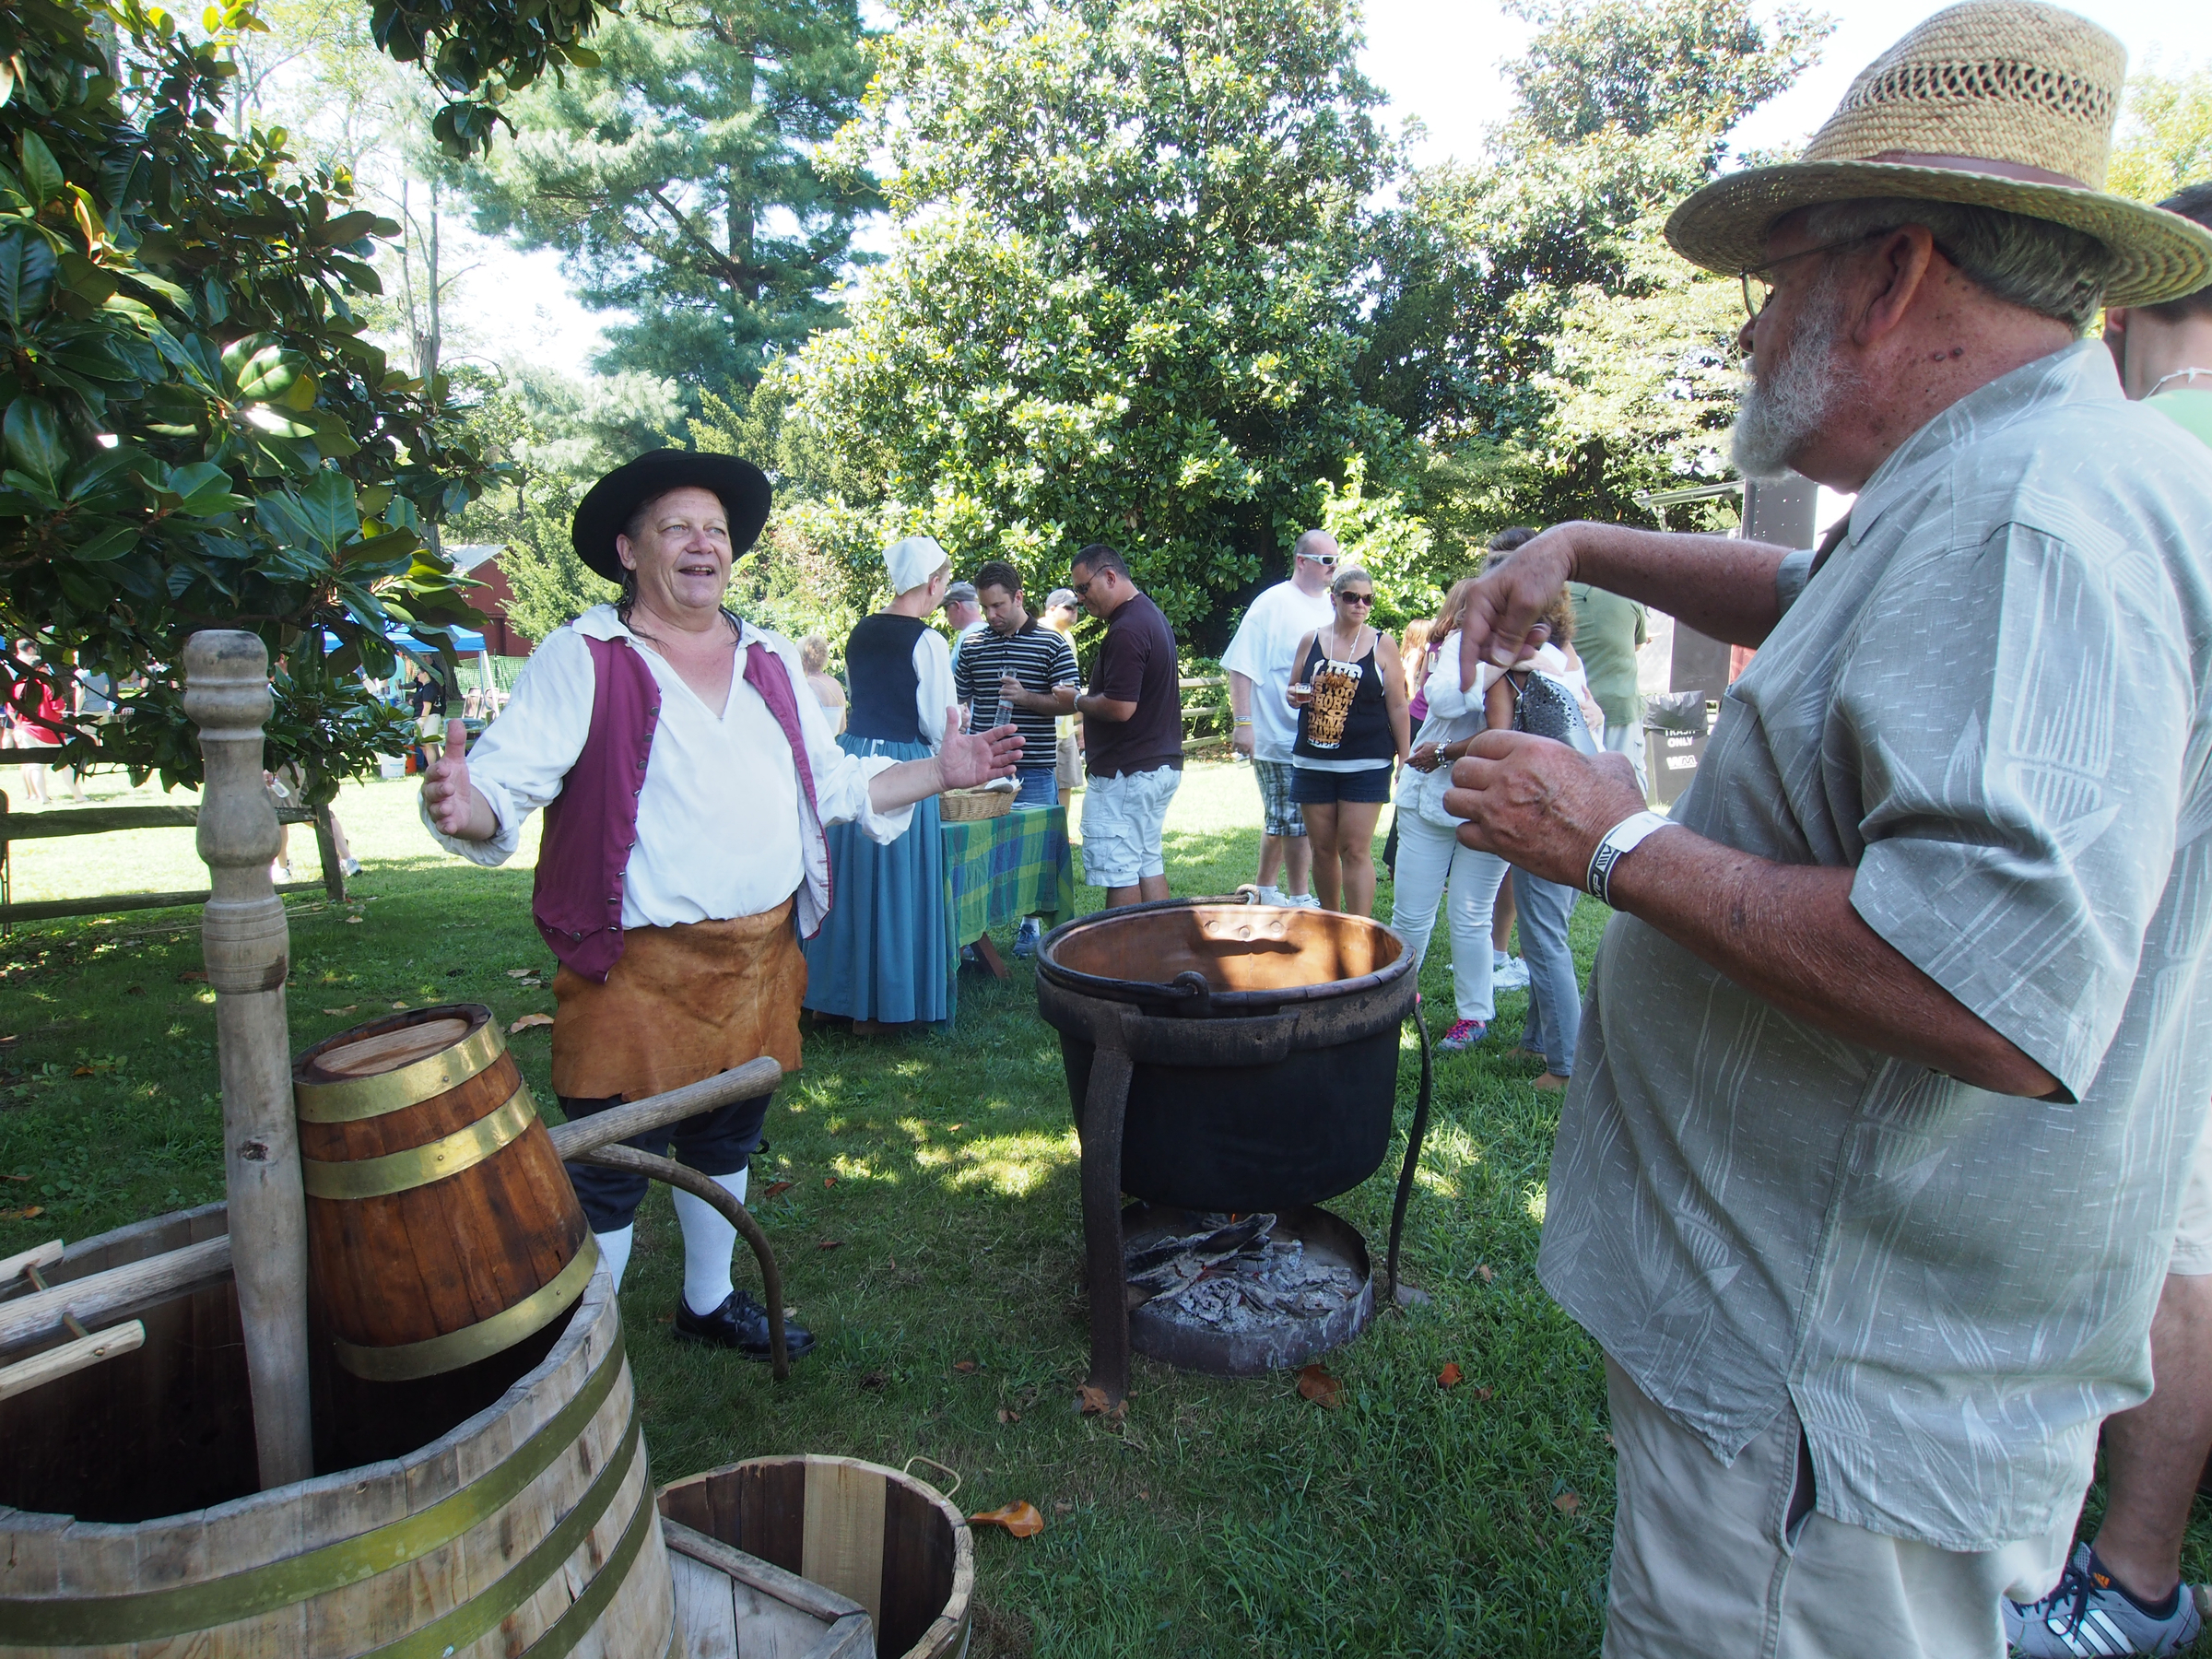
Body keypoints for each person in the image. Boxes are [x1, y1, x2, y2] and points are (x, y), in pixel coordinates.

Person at [1441, 7, 2212, 1653]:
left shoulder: (2026, 523)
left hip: (1821, 1414)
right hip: (1831, 1382)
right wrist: (1581, 541)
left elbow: (1993, 990)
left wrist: (1614, 844)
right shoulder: (2010, 474)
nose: (1749, 336)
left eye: (1778, 280)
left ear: (1895, 274)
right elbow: (1823, 597)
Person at [421, 452, 1018, 1360]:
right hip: (634, 975)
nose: (703, 545)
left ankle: (707, 1301)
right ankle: (569, 1364)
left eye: (716, 530)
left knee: (727, 1138)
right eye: (676, 528)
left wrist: (942, 772)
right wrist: (469, 806)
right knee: (612, 1169)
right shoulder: (584, 658)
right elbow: (504, 784)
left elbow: (837, 787)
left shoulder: (772, 658)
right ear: (628, 549)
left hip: (758, 961)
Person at [2002, 178, 2212, 1659]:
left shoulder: (2148, 453)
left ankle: (2129, 1581)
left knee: (2172, 1244)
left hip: (2167, 956)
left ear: (2133, 313)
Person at [803, 537, 965, 1030]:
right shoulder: (929, 640)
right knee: (896, 881)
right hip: (903, 762)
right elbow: (941, 723)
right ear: (934, 583)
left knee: (850, 882)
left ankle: (835, 997)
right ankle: (884, 1006)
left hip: (853, 756)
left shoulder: (860, 632)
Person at [1479, 578, 1595, 1092]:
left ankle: (1565, 1066)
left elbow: (1500, 743)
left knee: (1544, 941)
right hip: (1586, 810)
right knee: (1547, 933)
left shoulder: (1514, 676)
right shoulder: (1566, 666)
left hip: (1549, 816)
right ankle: (1536, 1040)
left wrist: (1446, 753)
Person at [1393, 578, 1510, 1052]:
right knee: (1412, 913)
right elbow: (1442, 701)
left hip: (1491, 800)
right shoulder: (1458, 645)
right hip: (1431, 795)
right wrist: (1498, 671)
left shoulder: (1545, 652)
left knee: (1471, 916)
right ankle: (1395, 999)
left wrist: (1501, 667)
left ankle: (1474, 1017)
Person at [953, 559, 1081, 957]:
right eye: (985, 607)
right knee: (980, 854)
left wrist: (1026, 697)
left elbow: (1071, 703)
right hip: (983, 771)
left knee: (1036, 856)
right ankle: (974, 935)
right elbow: (958, 701)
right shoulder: (973, 645)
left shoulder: (1051, 643)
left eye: (999, 606)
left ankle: (1032, 927)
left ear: (1019, 597)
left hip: (1035, 768)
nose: (991, 615)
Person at [1285, 567, 1409, 916]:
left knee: (1354, 849)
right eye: (1352, 597)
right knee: (1321, 849)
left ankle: (1359, 930)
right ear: (1334, 599)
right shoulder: (1311, 640)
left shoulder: (1383, 643)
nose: (1360, 604)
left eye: (1367, 599)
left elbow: (1398, 705)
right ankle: (1330, 924)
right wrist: (1294, 696)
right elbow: (1294, 689)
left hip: (1366, 762)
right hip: (1313, 761)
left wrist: (1406, 755)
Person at [1221, 529, 1335, 907]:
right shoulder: (1272, 604)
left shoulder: (1330, 606)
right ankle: (1301, 897)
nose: (1333, 568)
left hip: (1318, 735)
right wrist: (1243, 724)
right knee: (1295, 820)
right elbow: (1240, 667)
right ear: (1301, 561)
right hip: (1277, 735)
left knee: (1279, 817)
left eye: (1336, 560)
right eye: (1325, 561)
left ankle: (1266, 891)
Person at [1068, 543, 1182, 908]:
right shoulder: (1150, 615)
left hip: (1126, 774)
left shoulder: (1127, 629)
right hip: (1154, 767)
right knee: (1147, 861)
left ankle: (1121, 964)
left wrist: (1074, 700)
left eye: (1084, 588)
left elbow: (1119, 707)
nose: (1081, 599)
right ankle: (1158, 957)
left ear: (1110, 576)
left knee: (1120, 870)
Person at [1568, 577, 1649, 793]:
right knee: (1628, 791)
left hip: (1575, 713)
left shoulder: (1556, 594)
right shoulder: (1628, 593)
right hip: (1620, 711)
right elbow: (1638, 643)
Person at [6, 639, 66, 806]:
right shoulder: (48, 686)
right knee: (65, 763)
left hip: (25, 729)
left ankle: (38, 796)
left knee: (32, 765)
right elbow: (59, 707)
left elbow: (10, 709)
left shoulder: (18, 685)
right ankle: (78, 795)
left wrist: (19, 724)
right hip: (47, 731)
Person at [799, 633, 847, 735]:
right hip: (833, 746)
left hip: (813, 749)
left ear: (804, 660)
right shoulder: (836, 684)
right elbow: (842, 728)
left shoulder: (806, 686)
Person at [406, 665, 446, 772]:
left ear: (425, 674)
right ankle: (435, 767)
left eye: (419, 673)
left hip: (430, 717)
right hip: (423, 716)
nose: (417, 676)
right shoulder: (423, 687)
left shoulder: (429, 687)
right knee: (424, 745)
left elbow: (427, 706)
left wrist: (422, 720)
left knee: (428, 743)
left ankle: (432, 769)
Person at [943, 579, 985, 679]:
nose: (945, 615)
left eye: (946, 608)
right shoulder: (993, 632)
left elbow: (952, 682)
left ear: (957, 606)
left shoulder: (966, 638)